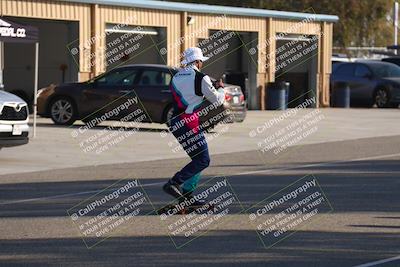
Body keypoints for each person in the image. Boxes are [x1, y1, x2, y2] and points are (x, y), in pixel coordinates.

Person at [163, 47, 225, 204]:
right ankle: (174, 183)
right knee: (203, 160)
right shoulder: (201, 77)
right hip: (189, 122)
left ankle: (187, 198)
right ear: (197, 61)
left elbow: (189, 94)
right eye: (201, 61)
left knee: (197, 160)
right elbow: (217, 101)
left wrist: (210, 86)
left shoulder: (176, 77)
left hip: (176, 122)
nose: (202, 64)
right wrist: (220, 89)